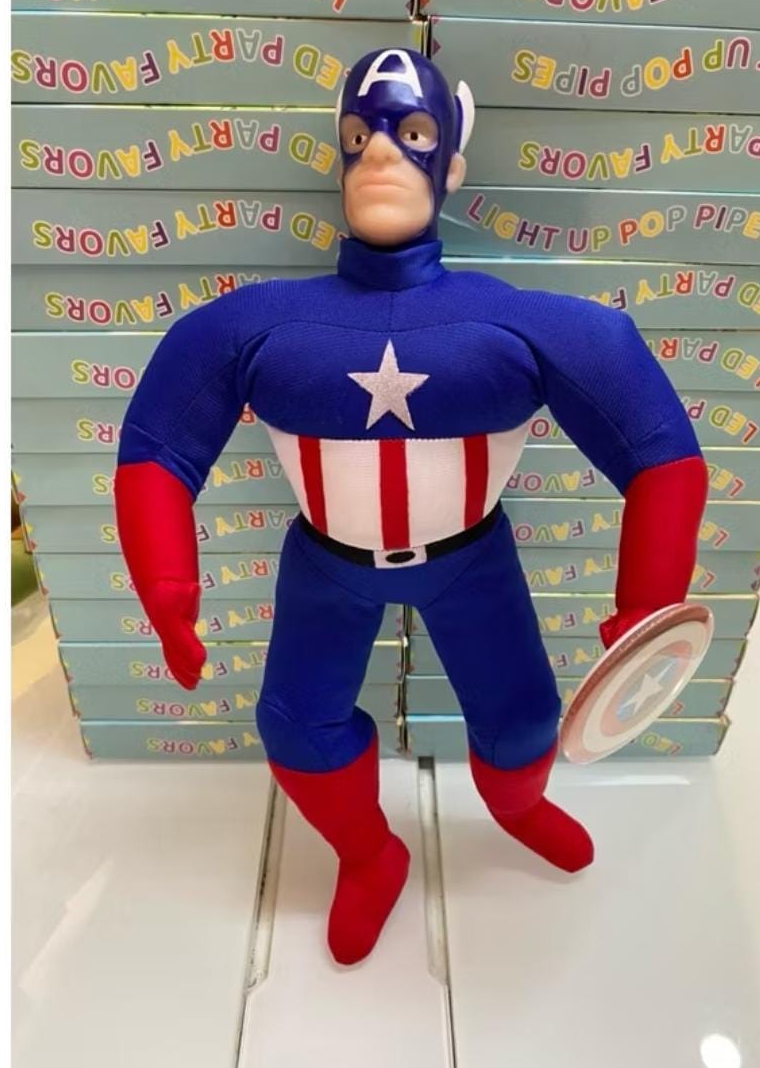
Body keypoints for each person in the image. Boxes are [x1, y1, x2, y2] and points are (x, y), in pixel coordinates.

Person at [114, 48, 707, 966]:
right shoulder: (258, 324)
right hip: (327, 566)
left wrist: (648, 605)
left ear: (451, 164)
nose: (383, 152)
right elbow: (155, 447)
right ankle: (368, 854)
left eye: (413, 132)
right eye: (361, 135)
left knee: (522, 718)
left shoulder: (517, 323)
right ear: (339, 157)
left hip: (473, 560)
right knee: (294, 727)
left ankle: (519, 806)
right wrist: (164, 585)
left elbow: (661, 451)